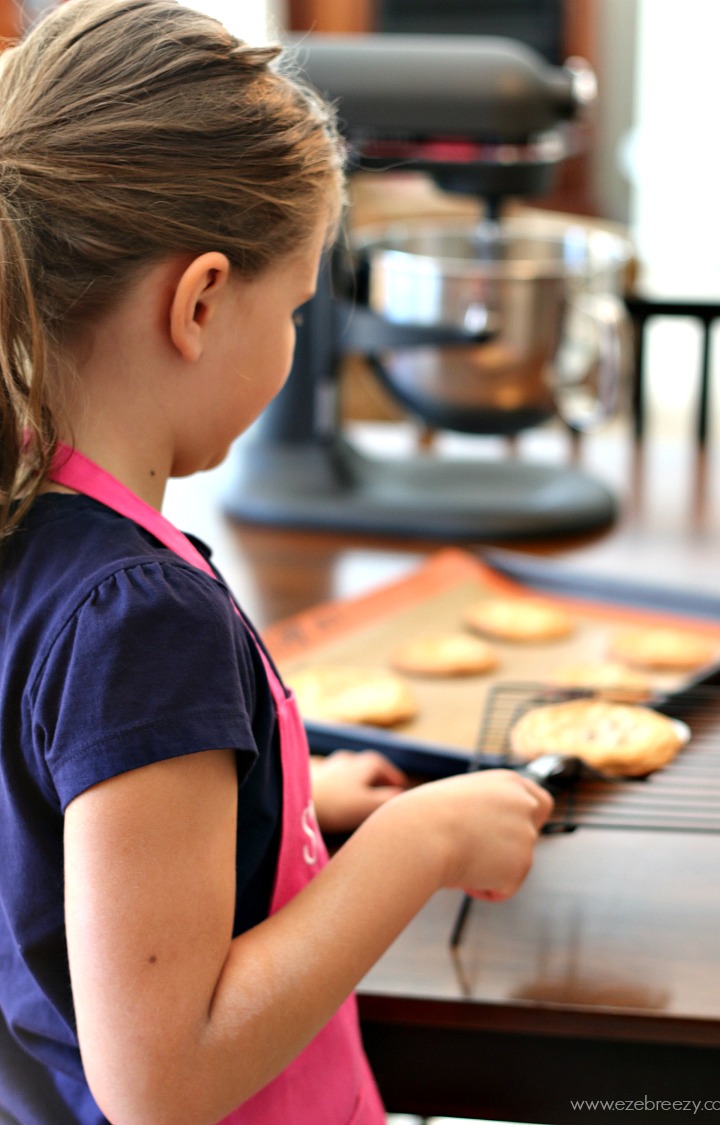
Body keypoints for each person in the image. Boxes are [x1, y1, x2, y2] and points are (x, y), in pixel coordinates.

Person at [0, 1, 554, 1122]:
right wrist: (416, 841)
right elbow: (166, 1076)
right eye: (296, 306)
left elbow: (68, 832)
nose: (297, 339)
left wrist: (283, 806)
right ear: (201, 301)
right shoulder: (138, 618)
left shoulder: (32, 525)